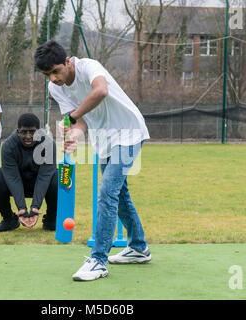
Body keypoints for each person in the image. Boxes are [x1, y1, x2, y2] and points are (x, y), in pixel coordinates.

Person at [34, 40, 151, 281]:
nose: (53, 78)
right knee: (119, 195)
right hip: (105, 140)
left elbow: (100, 91)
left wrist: (74, 116)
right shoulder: (56, 89)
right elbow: (80, 122)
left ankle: (98, 260)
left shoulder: (89, 66)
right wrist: (74, 136)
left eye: (55, 71)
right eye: (47, 75)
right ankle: (139, 247)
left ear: (68, 62)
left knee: (107, 192)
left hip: (129, 132)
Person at [0, 113, 58, 232]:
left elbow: (45, 176)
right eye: (24, 132)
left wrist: (35, 207)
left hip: (40, 184)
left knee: (60, 179)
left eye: (32, 132)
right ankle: (9, 220)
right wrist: (22, 209)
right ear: (18, 131)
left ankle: (51, 220)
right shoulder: (8, 146)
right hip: (17, 184)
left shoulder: (48, 144)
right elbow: (12, 178)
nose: (28, 136)